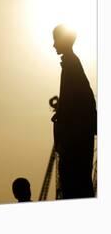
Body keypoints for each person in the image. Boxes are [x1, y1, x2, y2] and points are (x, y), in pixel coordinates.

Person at [52, 24, 97, 199]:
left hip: (75, 139)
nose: (53, 45)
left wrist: (64, 116)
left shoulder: (71, 65)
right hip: (78, 136)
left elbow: (78, 101)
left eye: (55, 40)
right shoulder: (72, 65)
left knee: (75, 184)